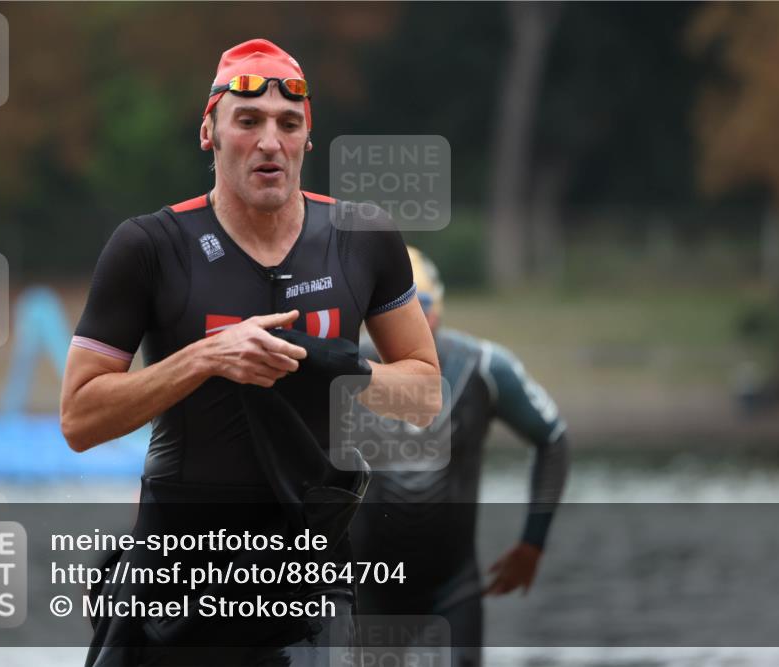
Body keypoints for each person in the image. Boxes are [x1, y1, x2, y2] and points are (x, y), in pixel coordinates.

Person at [59, 39, 441, 666]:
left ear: (308, 141)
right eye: (248, 121)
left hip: (306, 581)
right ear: (208, 133)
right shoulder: (149, 247)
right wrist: (207, 357)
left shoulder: (362, 237)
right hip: (173, 578)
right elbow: (78, 419)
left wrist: (338, 365)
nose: (270, 142)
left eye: (289, 124)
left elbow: (424, 397)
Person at [350, 247, 570, 667]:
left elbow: (554, 439)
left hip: (451, 590)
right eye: (391, 310)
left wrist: (532, 543)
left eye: (421, 306)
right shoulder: (346, 367)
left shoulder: (483, 367)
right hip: (367, 589)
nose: (410, 320)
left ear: (438, 309)